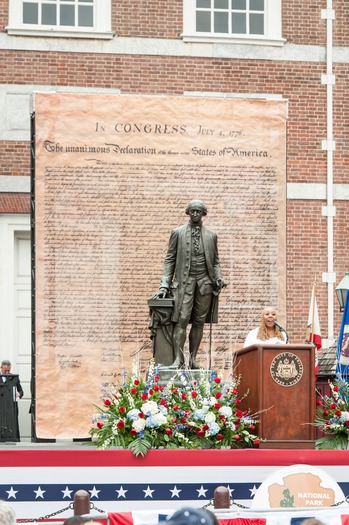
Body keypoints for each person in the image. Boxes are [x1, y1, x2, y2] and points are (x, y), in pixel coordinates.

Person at [155, 200, 226, 369]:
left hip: (204, 284)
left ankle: (193, 360)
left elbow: (215, 262)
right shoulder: (177, 233)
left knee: (199, 322)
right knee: (181, 321)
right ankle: (178, 360)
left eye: (198, 211)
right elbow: (169, 259)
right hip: (183, 285)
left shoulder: (211, 235)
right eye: (192, 211)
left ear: (203, 214)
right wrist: (164, 284)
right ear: (188, 212)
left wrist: (218, 277)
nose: (195, 214)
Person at [0, 360, 24, 441]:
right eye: (5, 370)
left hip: (11, 407)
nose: (7, 372)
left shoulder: (14, 378)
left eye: (8, 370)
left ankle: (13, 439)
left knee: (12, 425)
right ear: (1, 367)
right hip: (1, 406)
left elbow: (21, 391)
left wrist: (19, 394)